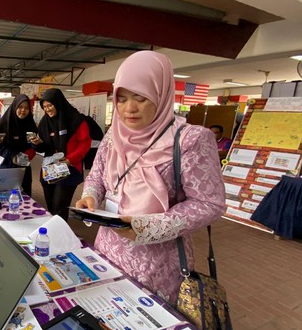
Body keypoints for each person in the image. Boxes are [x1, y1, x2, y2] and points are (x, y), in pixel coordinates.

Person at [76, 51, 225, 303]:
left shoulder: (190, 140)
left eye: (141, 98)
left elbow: (210, 203)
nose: (129, 109)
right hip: (108, 248)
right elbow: (97, 176)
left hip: (157, 263)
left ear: (161, 94)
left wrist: (149, 228)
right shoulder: (114, 134)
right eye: (121, 99)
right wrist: (90, 196)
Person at [30, 88, 91, 220]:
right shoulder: (45, 122)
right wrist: (37, 143)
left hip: (69, 167)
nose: (47, 109)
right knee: (51, 204)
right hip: (50, 168)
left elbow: (85, 144)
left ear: (58, 103)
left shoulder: (76, 120)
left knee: (59, 206)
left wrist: (70, 159)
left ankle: (60, 230)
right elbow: (44, 148)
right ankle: (55, 226)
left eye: (50, 105)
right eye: (44, 107)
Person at [0, 94, 38, 196]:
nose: (23, 110)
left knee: (25, 193)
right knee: (6, 195)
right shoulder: (4, 123)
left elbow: (33, 144)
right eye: (20, 107)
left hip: (24, 164)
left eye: (26, 108)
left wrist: (30, 152)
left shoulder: (30, 124)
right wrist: (13, 156)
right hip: (8, 164)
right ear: (15, 106)